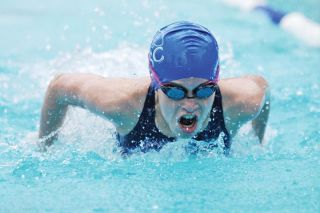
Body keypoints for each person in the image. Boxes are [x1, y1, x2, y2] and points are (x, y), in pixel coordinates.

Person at [38, 21, 270, 155]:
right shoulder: (122, 105)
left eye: (204, 90)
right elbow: (60, 87)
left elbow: (263, 87)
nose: (190, 103)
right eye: (175, 91)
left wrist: (258, 140)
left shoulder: (241, 103)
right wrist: (45, 146)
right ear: (157, 84)